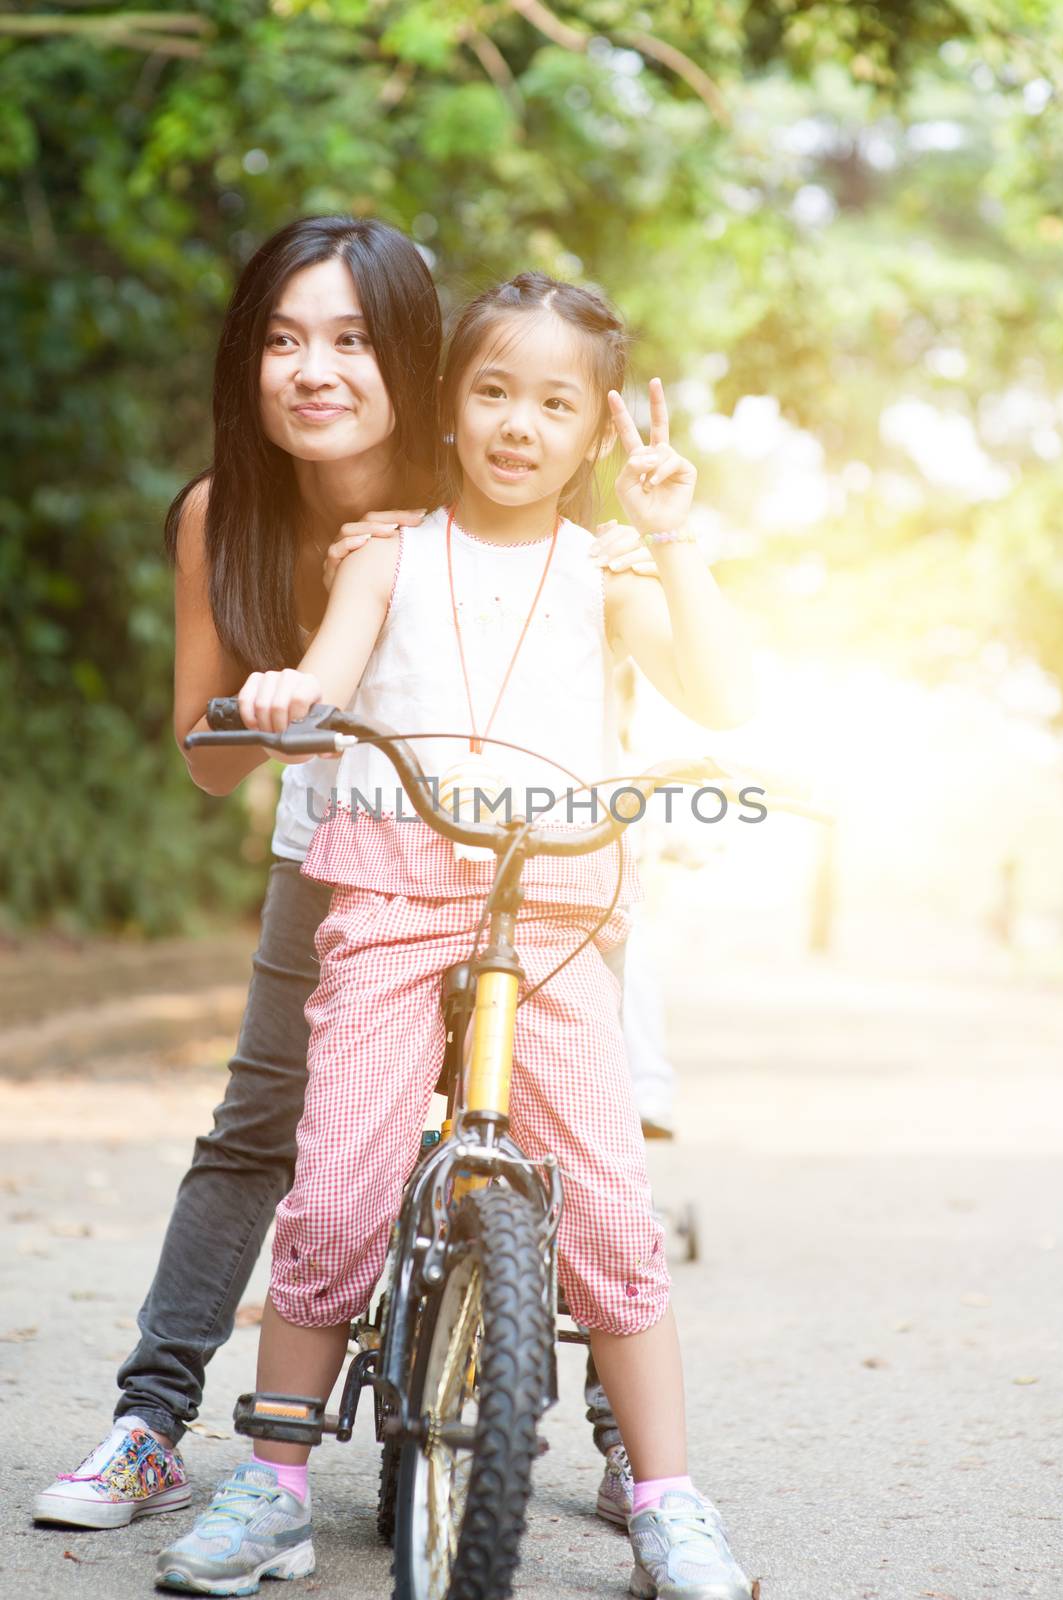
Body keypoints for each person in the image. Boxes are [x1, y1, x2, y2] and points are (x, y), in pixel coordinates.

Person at [32, 220, 647, 1533]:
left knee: (573, 1136)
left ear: (412, 360)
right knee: (266, 1125)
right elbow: (206, 760)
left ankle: (621, 1440)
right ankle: (152, 1421)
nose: (314, 368)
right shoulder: (222, 513)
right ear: (245, 359)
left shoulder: (478, 457)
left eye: (353, 340)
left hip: (528, 850)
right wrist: (274, 697)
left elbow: (584, 615)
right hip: (343, 835)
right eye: (281, 338)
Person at [155, 271, 755, 1599]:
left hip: (549, 905)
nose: (518, 425)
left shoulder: (603, 572)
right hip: (389, 891)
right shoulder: (386, 548)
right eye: (491, 392)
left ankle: (665, 1498)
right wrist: (284, 693)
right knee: (341, 1183)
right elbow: (330, 661)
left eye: (555, 403)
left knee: (604, 1205)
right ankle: (272, 1485)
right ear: (451, 405)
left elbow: (715, 692)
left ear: (597, 430)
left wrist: (670, 537)